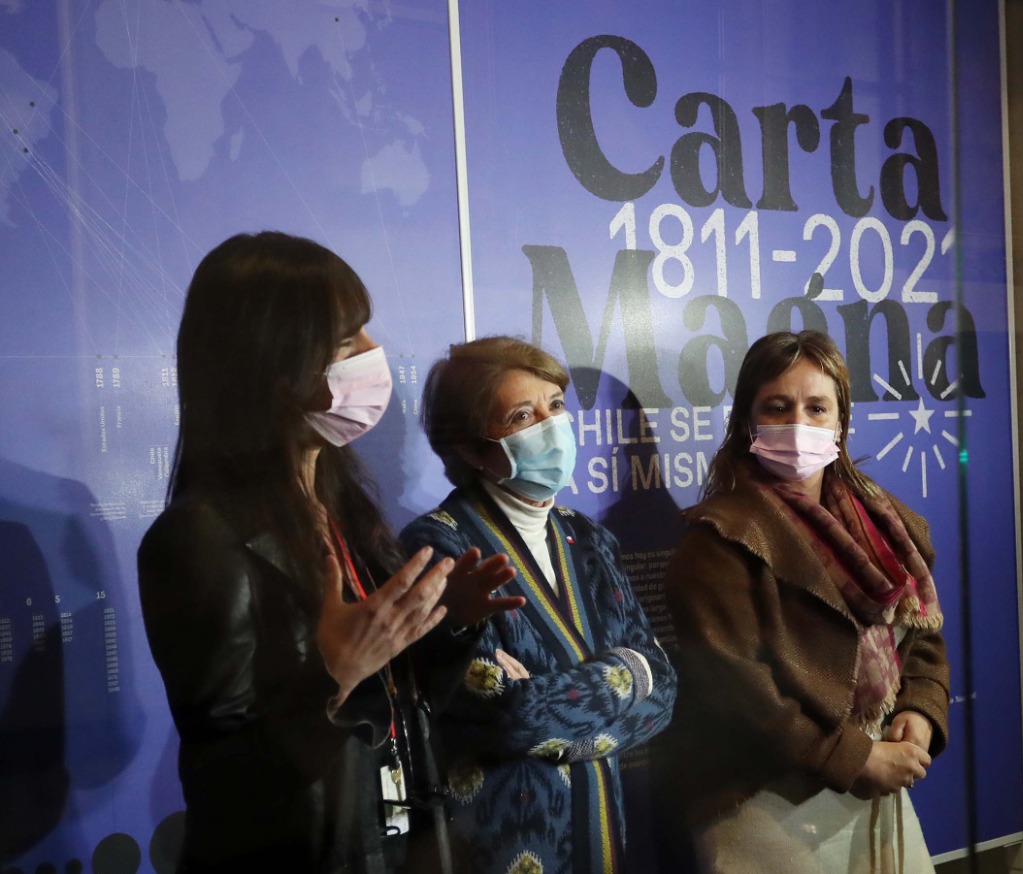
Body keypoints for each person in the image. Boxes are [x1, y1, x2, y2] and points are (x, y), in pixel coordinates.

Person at [137, 232, 521, 873]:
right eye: (347, 343)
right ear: (271, 367)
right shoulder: (196, 539)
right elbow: (225, 776)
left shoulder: (343, 507)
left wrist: (441, 625)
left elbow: (395, 705)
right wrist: (334, 671)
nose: (373, 353)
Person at [661, 331, 949, 874]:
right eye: (777, 407)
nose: (798, 423)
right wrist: (852, 757)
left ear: (841, 421)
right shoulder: (718, 540)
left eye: (817, 407)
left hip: (876, 776)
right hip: (767, 800)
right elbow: (739, 690)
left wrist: (919, 707)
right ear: (748, 422)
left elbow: (922, 636)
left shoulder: (886, 521)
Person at [400, 336, 676, 874]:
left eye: (555, 406)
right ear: (472, 448)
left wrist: (570, 705)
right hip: (496, 849)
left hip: (604, 843)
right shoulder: (436, 547)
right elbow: (512, 716)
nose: (552, 426)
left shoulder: (587, 537)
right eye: (523, 416)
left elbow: (663, 693)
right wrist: (629, 674)